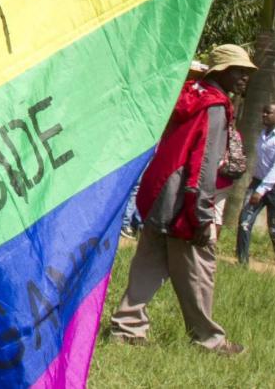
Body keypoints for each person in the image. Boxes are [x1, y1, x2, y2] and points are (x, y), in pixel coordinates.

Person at [107, 44, 256, 355]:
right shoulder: (215, 106)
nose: (245, 77)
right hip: (183, 201)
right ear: (221, 71)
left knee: (149, 262)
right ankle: (208, 340)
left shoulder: (190, 94)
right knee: (199, 268)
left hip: (159, 191)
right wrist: (201, 215)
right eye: (239, 70)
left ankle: (127, 327)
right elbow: (203, 163)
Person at [236, 102, 275, 275]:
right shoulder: (263, 134)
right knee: (244, 222)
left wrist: (260, 190)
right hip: (259, 182)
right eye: (263, 112)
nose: (264, 115)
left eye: (268, 113)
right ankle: (242, 262)